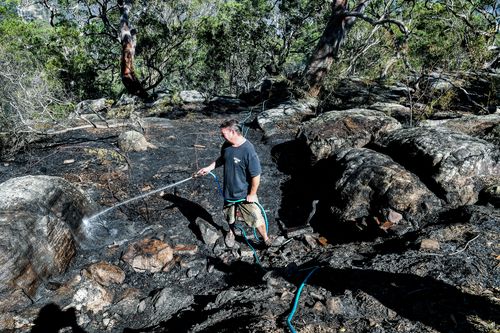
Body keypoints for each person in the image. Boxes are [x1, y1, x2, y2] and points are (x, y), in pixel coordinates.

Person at [197, 119, 271, 248]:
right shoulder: (226, 145)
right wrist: (209, 168)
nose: (221, 136)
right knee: (229, 216)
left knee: (256, 217)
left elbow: (256, 175)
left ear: (232, 132)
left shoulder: (248, 150)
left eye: (223, 134)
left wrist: (252, 194)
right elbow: (222, 158)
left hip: (244, 194)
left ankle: (266, 239)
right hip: (228, 191)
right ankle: (231, 232)